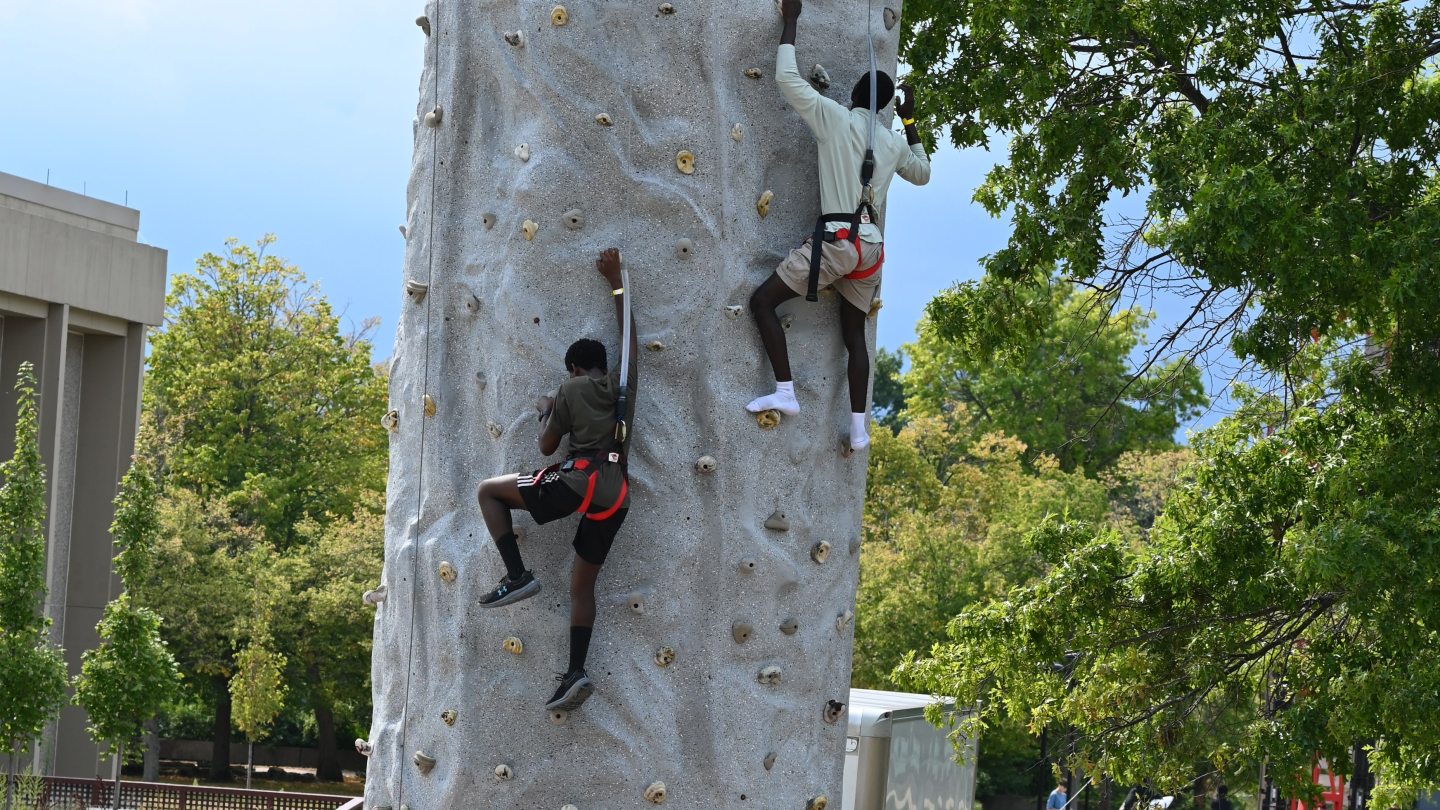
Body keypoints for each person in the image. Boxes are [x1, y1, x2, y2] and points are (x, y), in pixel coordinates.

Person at [746, 0, 932, 452]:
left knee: (762, 302)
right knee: (854, 335)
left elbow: (786, 80)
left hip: (836, 242)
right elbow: (923, 173)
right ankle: (858, 428)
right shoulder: (890, 143)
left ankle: (786, 392)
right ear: (886, 107)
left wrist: (790, 20)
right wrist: (909, 121)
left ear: (853, 95)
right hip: (870, 248)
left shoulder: (834, 118)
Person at [474, 247, 638, 714]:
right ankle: (575, 671)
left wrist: (548, 410)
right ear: (603, 365)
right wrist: (617, 282)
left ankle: (517, 574)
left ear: (572, 368)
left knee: (488, 491)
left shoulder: (570, 388)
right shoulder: (624, 386)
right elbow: (629, 337)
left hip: (579, 479)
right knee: (581, 587)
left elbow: (547, 448)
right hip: (616, 492)